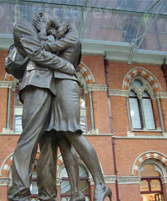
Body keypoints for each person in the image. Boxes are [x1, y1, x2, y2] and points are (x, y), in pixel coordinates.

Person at [37, 19, 112, 201]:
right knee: (64, 142)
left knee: (72, 132)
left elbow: (44, 48)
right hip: (58, 87)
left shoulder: (72, 39)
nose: (55, 31)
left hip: (66, 86)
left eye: (58, 27)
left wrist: (43, 30)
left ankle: (101, 184)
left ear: (68, 26)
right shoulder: (67, 40)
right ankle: (76, 192)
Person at [7, 12, 78, 201]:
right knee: (30, 137)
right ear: (40, 17)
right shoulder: (23, 26)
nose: (55, 29)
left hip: (54, 89)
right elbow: (37, 54)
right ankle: (19, 193)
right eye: (53, 24)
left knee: (48, 144)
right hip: (36, 83)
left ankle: (48, 195)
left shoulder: (49, 35)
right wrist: (66, 67)